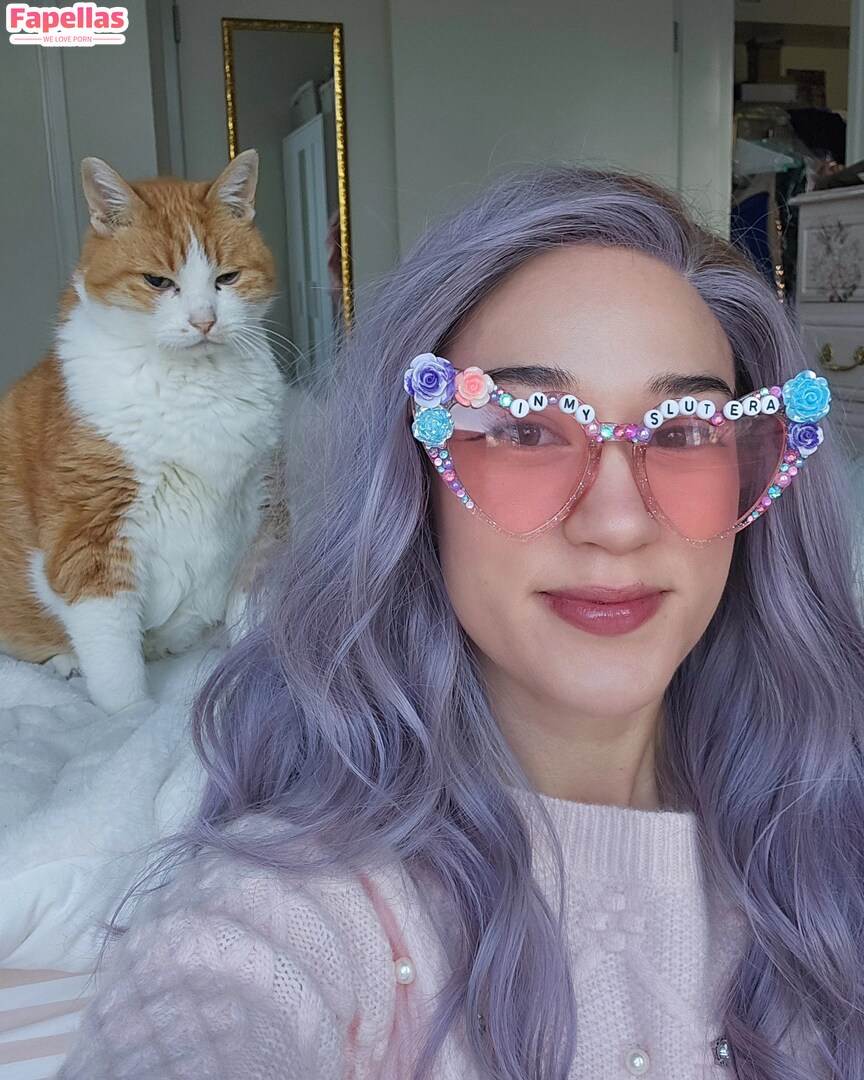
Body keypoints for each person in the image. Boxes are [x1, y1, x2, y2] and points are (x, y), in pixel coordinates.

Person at [56, 165, 864, 1080]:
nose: (617, 524)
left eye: (683, 432)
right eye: (523, 429)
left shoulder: (831, 808)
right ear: (414, 480)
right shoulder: (305, 904)